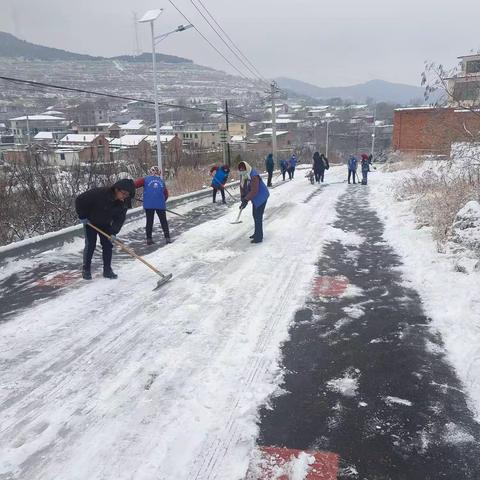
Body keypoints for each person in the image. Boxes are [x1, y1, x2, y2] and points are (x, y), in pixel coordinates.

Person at [75, 178, 135, 280]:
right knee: (91, 245)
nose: (125, 197)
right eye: (124, 194)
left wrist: (114, 232)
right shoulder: (99, 193)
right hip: (91, 222)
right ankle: (86, 269)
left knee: (107, 245)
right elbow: (79, 200)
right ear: (117, 189)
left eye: (127, 195)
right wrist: (82, 216)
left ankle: (107, 270)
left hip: (106, 223)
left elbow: (120, 219)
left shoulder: (124, 202)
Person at [134, 166, 171, 245]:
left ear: (150, 172)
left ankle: (149, 239)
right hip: (160, 205)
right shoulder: (161, 182)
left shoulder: (145, 180)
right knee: (163, 221)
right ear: (159, 173)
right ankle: (167, 238)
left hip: (149, 205)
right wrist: (160, 202)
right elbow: (166, 195)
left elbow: (135, 185)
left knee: (149, 221)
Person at [238, 161, 270, 244]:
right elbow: (242, 187)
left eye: (243, 169)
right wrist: (242, 198)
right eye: (240, 169)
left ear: (247, 168)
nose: (241, 171)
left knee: (258, 216)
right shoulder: (243, 175)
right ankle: (256, 233)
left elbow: (254, 191)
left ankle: (259, 237)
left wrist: (246, 199)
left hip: (261, 196)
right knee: (255, 215)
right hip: (255, 197)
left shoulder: (254, 176)